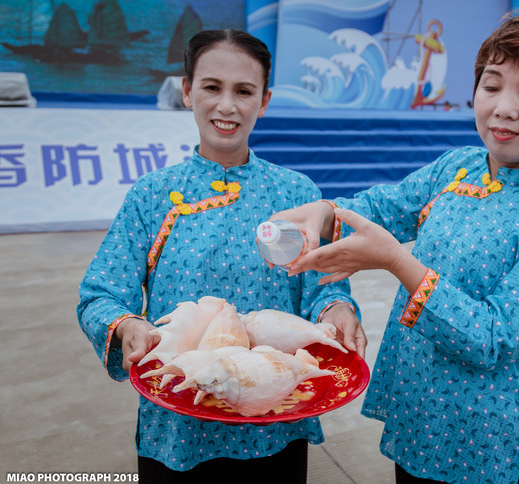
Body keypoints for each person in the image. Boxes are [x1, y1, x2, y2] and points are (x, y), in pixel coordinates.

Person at [270, 13, 519, 483]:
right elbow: (384, 205)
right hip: (418, 417)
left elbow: (493, 338)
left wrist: (396, 261)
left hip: (487, 440)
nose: (503, 108)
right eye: (491, 86)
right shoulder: (457, 167)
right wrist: (326, 212)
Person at [77, 29, 366, 482]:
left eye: (244, 91)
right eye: (212, 87)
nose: (227, 106)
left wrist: (337, 310)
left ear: (264, 100)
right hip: (179, 415)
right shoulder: (152, 195)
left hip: (274, 418)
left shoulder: (297, 193)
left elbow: (323, 288)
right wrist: (128, 324)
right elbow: (101, 292)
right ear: (188, 90)